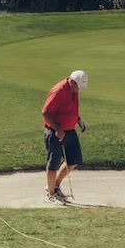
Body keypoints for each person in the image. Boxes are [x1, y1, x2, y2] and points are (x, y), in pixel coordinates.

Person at [41, 69, 88, 205]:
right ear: (72, 81)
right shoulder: (59, 91)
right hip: (55, 131)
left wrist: (78, 120)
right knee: (53, 164)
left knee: (74, 159)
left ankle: (54, 186)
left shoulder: (74, 90)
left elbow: (71, 109)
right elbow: (45, 112)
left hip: (69, 131)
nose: (78, 89)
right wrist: (58, 129)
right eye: (78, 86)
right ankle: (51, 195)